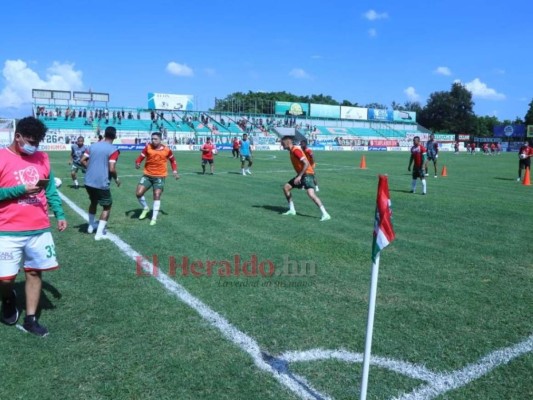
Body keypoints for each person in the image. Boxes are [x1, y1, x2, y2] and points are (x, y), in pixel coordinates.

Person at [0, 116, 67, 336]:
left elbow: (50, 190)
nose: (34, 147)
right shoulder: (1, 157)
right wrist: (18, 190)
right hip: (7, 229)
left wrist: (59, 213)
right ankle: (8, 297)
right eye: (30, 142)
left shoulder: (43, 158)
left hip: (38, 228)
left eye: (37, 143)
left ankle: (30, 319)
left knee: (35, 273)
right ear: (17, 136)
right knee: (5, 279)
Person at [80, 126, 120, 240]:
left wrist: (90, 168)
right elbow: (112, 169)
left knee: (93, 202)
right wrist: (116, 179)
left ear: (104, 134)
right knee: (107, 207)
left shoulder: (92, 146)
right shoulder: (113, 150)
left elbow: (82, 160)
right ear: (115, 136)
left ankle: (90, 227)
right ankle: (99, 234)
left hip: (88, 181)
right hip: (101, 182)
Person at [280, 135, 330, 221]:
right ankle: (292, 210)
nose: (281, 145)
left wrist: (299, 176)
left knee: (311, 194)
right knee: (286, 187)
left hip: (307, 174)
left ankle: (325, 214)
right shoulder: (291, 151)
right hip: (302, 174)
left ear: (288, 142)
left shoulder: (296, 151)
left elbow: (306, 163)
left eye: (282, 143)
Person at [135, 132, 179, 225]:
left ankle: (153, 218)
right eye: (152, 139)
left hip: (160, 175)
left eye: (155, 139)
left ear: (160, 140)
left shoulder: (167, 150)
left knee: (157, 194)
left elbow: (173, 160)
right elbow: (140, 157)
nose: (153, 141)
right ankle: (146, 208)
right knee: (138, 193)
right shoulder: (148, 147)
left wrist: (174, 171)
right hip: (147, 175)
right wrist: (138, 163)